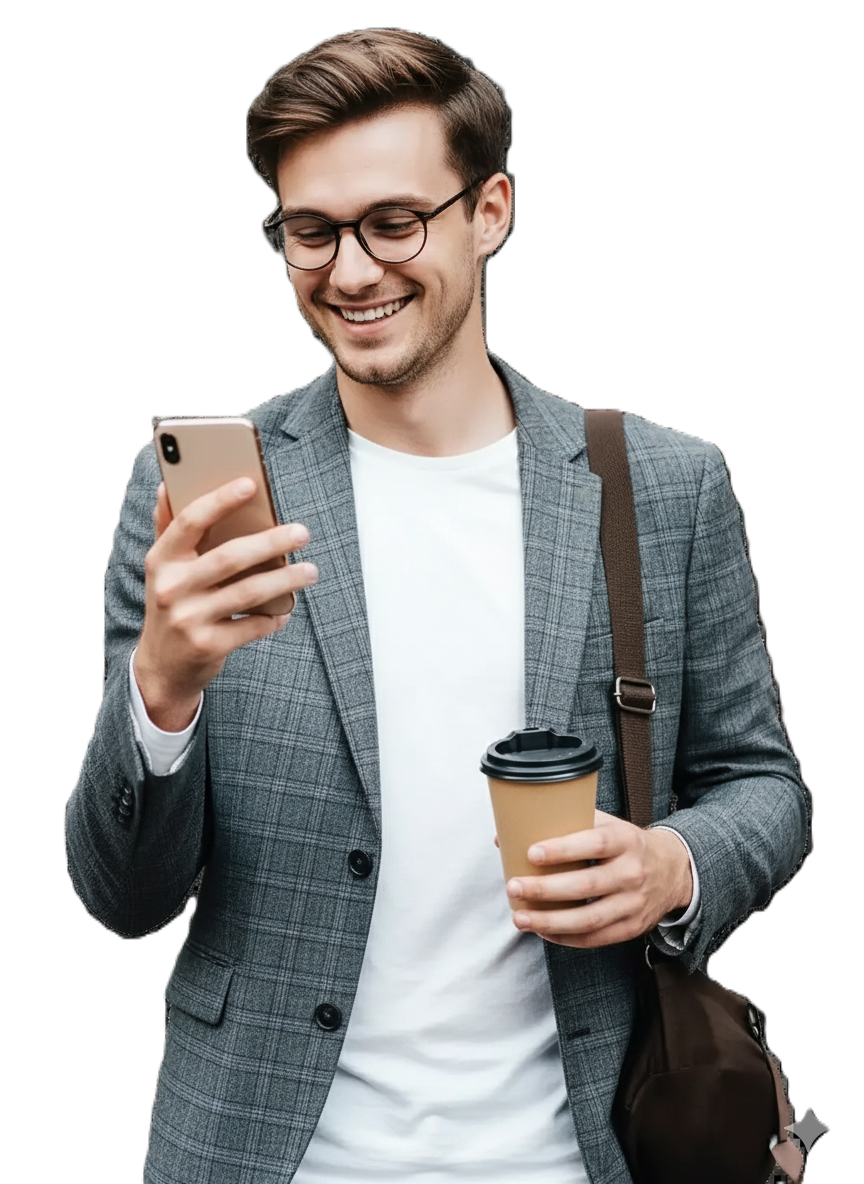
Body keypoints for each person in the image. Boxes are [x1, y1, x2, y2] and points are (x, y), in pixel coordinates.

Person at [64, 27, 808, 1184]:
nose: (351, 270)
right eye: (311, 230)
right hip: (264, 1155)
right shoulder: (201, 504)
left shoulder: (659, 486)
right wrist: (159, 691)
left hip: (574, 1153)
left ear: (491, 211)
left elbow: (764, 782)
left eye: (394, 221)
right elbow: (122, 895)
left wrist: (675, 864)